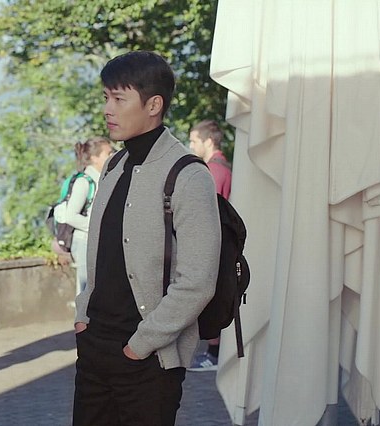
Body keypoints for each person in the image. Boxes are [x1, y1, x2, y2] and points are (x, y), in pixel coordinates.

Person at [72, 51, 221, 426]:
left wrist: (141, 345)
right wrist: (83, 316)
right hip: (95, 347)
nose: (108, 109)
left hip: (149, 357)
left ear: (153, 105)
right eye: (106, 97)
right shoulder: (113, 165)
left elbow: (198, 281)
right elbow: (101, 255)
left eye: (119, 99)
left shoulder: (188, 175)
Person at [187, 120, 233, 372]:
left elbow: (206, 212)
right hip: (222, 244)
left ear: (208, 141)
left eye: (194, 140)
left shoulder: (214, 170)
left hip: (217, 245)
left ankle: (214, 355)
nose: (191, 145)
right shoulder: (220, 167)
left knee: (212, 300)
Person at [63, 137, 114, 296]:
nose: (113, 156)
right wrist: (96, 226)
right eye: (108, 153)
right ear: (94, 158)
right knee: (87, 292)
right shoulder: (84, 182)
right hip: (84, 242)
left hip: (97, 241)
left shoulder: (103, 179)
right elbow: (70, 216)